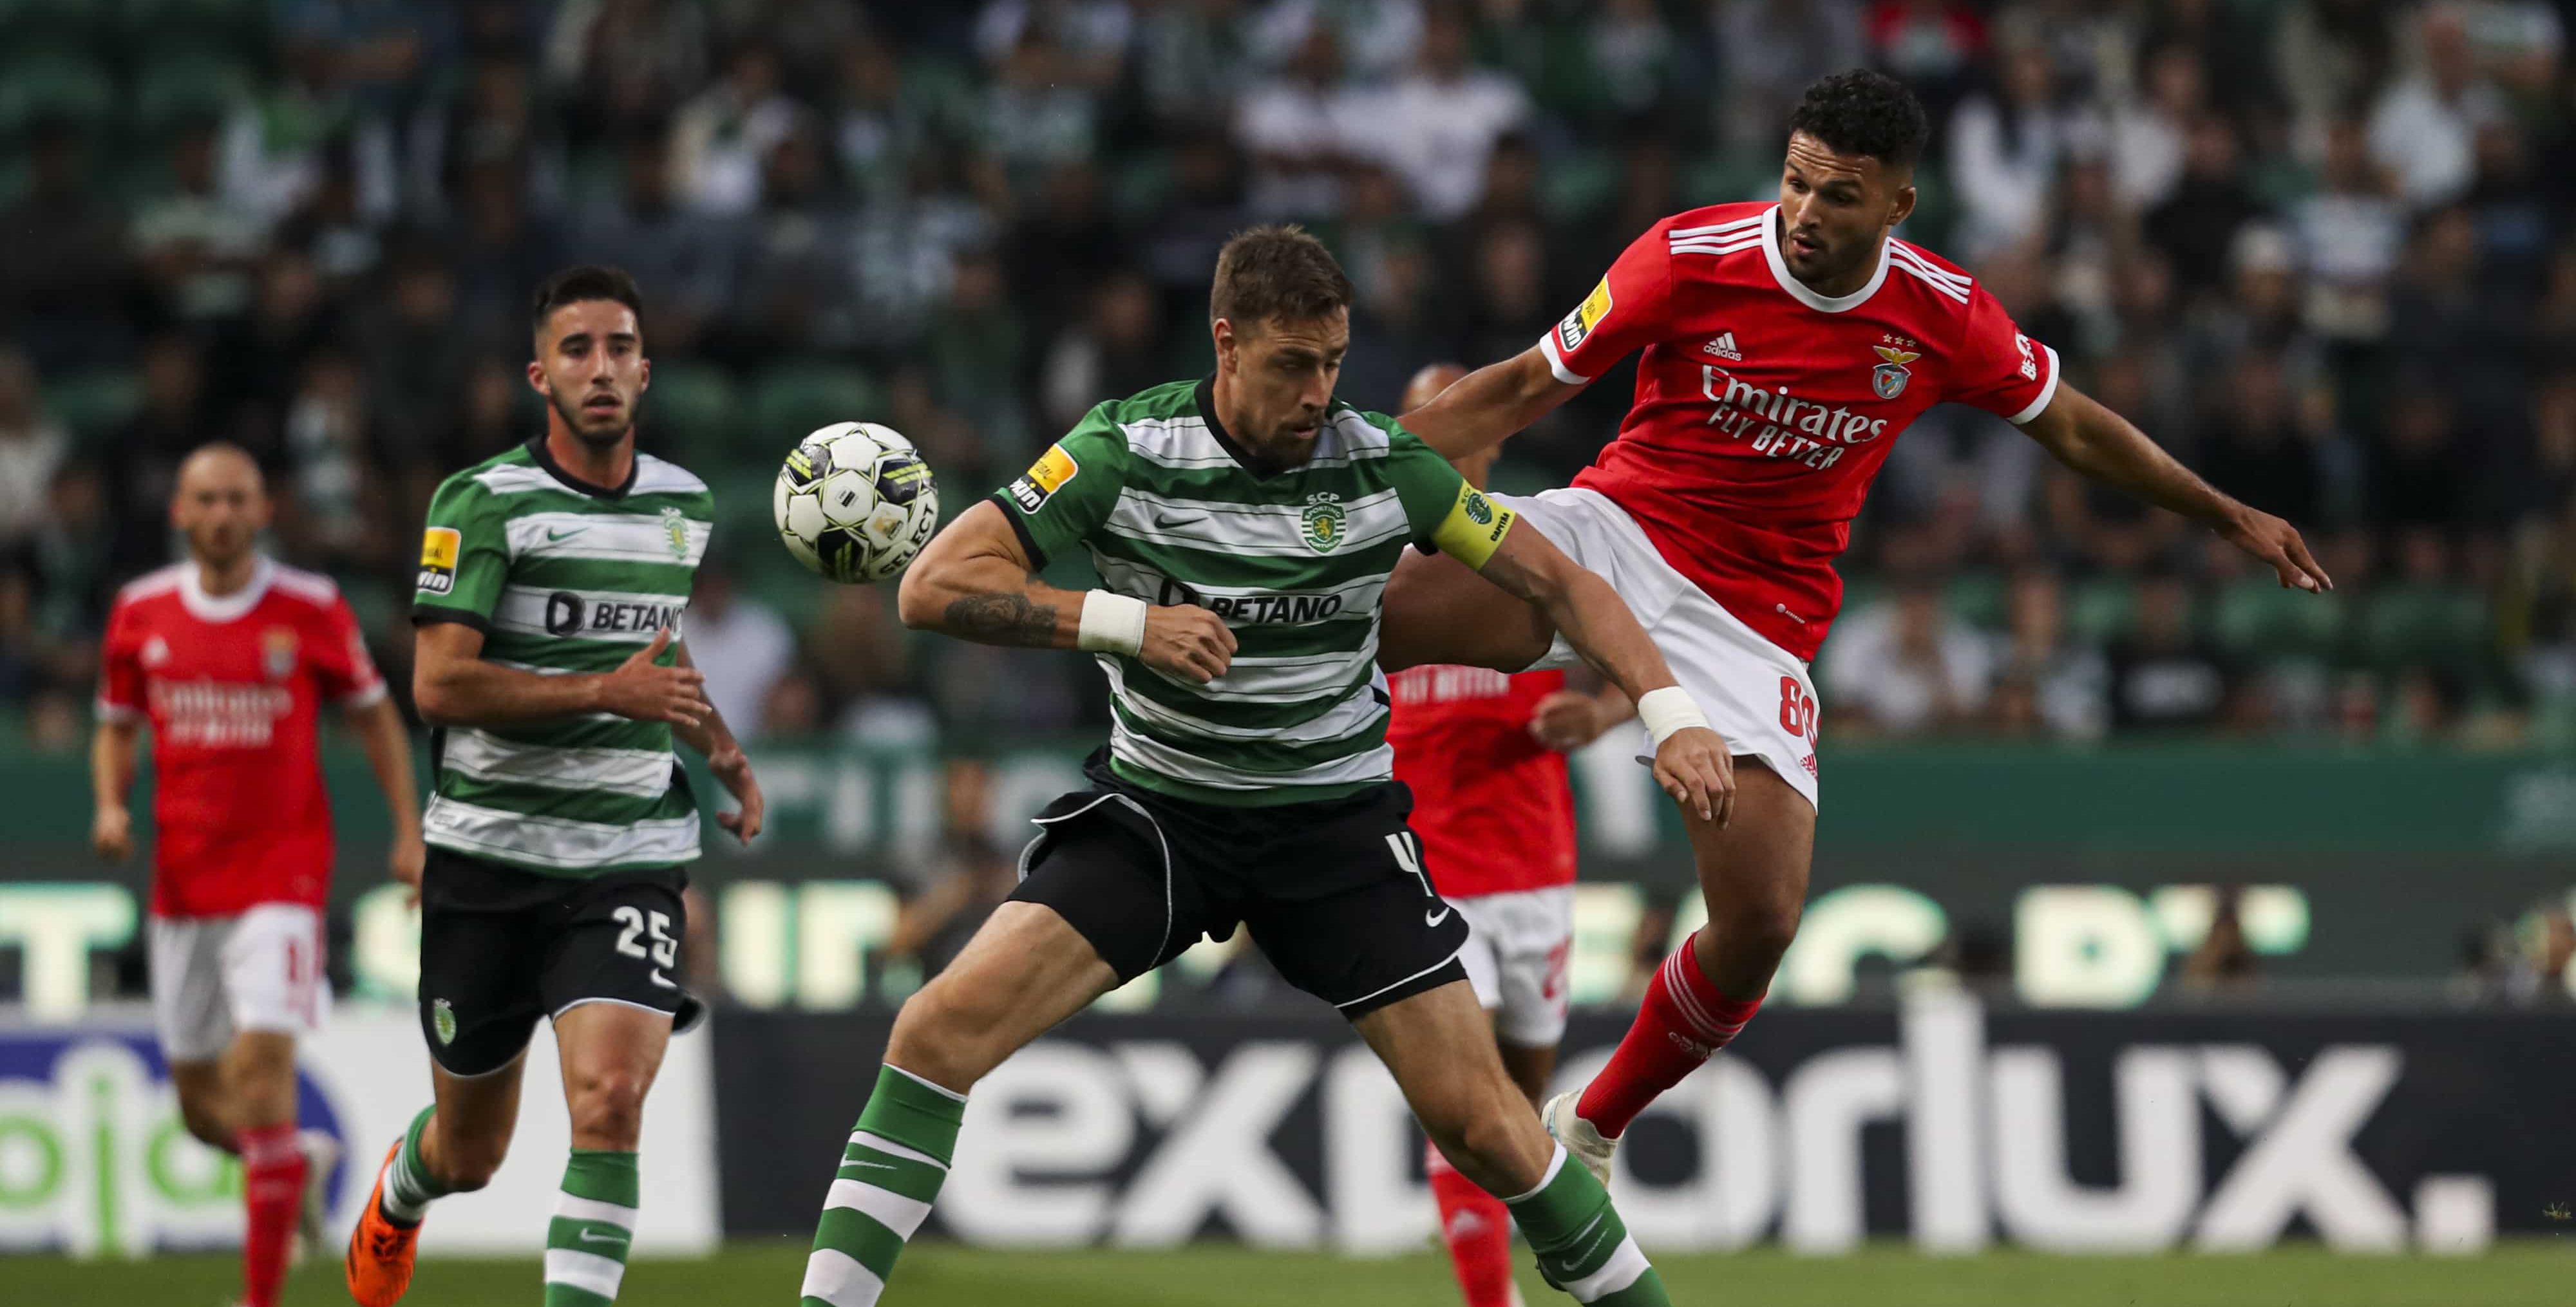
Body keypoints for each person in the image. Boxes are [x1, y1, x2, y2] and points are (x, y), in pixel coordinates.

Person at [1385, 70, 2331, 1181]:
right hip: (1615, 532)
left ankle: (1591, 1126)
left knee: (1762, 926)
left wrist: (2224, 513)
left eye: (1838, 196)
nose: (1803, 214)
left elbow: (2074, 431)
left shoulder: (1941, 315)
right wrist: (1339, 469)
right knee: (1375, 615)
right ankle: (1191, 760)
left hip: (1753, 623)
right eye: (1794, 182)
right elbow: (1516, 390)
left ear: (1898, 206)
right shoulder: (1688, 257)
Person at [796, 227, 1732, 1307]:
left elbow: (1565, 587)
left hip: (1331, 825)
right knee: (933, 1032)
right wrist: (1127, 626)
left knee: (1491, 1128)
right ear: (1225, 341)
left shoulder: (1383, 462)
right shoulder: (1123, 450)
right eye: (1293, 364)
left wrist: (1670, 712)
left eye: (1333, 362)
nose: (1317, 394)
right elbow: (934, 585)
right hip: (1163, 819)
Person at [345, 267, 767, 1307]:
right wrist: (607, 690)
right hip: (487, 861)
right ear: (541, 375)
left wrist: (718, 743)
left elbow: (654, 649)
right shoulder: (484, 502)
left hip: (626, 854)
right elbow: (437, 684)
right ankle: (402, 1192)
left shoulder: (684, 504)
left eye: (620, 347)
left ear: (646, 370)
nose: (602, 368)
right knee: (469, 1152)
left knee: (612, 1099)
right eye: (578, 350)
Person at [91, 442, 424, 1307]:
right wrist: (108, 803)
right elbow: (116, 722)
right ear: (180, 511)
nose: (224, 514)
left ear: (265, 509)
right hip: (183, 885)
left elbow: (376, 716)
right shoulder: (140, 611)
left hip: (282, 875)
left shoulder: (309, 606)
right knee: (205, 1109)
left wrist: (406, 829)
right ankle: (292, 1162)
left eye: (239, 498)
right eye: (207, 499)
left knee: (264, 1065)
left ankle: (260, 1297)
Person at [1385, 362, 1633, 1307]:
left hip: (1534, 870)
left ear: (1489, 438)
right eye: (1423, 418)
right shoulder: (1372, 554)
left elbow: (1639, 643)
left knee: (1522, 1103)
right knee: (1470, 1098)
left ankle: (1501, 1225)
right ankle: (1490, 1295)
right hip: (1428, 869)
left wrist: (1602, 719)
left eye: (1454, 417)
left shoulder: (1532, 548)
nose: (1438, 430)